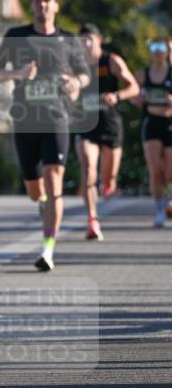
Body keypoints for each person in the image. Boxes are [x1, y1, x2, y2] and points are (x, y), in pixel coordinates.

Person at [0, 0, 90, 271]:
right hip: (25, 120)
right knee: (35, 190)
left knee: (54, 179)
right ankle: (42, 201)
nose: (42, 5)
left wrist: (76, 83)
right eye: (37, 1)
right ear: (32, 7)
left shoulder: (69, 40)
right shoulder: (16, 37)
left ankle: (48, 250)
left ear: (55, 6)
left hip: (57, 117)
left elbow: (84, 73)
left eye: (47, 1)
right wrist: (16, 73)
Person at [74, 24, 140, 240]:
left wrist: (117, 96)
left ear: (99, 40)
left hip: (111, 124)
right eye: (82, 39)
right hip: (86, 124)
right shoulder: (76, 64)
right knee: (88, 167)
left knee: (108, 177)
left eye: (90, 39)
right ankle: (92, 219)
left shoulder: (111, 61)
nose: (86, 43)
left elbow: (134, 87)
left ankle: (109, 184)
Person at [135, 38, 172, 227]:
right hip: (151, 122)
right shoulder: (143, 73)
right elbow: (131, 92)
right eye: (155, 47)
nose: (158, 51)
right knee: (155, 171)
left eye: (162, 47)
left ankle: (169, 201)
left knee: (170, 172)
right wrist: (138, 97)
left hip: (170, 122)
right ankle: (159, 210)